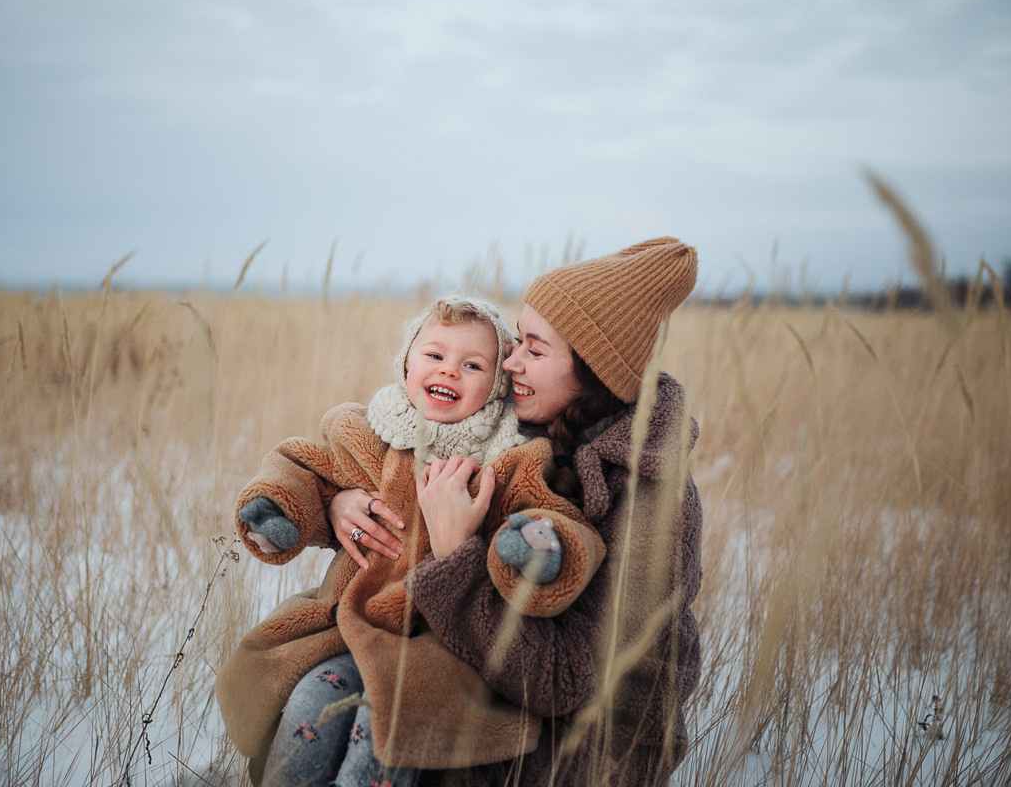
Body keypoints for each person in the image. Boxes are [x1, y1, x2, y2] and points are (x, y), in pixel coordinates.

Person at [330, 237, 703, 786]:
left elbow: (560, 679)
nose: (510, 361)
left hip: (579, 754)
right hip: (494, 690)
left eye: (534, 347)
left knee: (394, 727)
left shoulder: (652, 506)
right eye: (515, 342)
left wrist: (456, 551)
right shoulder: (529, 427)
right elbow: (399, 446)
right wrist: (341, 499)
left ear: (593, 370)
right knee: (322, 696)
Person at [215, 295, 609, 786]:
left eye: (472, 364)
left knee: (384, 734)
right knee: (310, 702)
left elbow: (558, 520)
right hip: (352, 627)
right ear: (406, 364)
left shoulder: (510, 458)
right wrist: (287, 508)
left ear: (497, 386)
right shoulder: (367, 432)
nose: (449, 372)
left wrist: (537, 545)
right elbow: (304, 468)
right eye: (434, 355)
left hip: (436, 651)